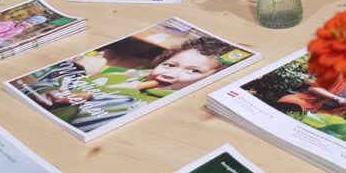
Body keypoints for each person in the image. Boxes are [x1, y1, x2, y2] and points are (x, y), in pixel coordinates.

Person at [27, 36, 236, 132]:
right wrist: (49, 91)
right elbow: (43, 84)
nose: (171, 73)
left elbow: (85, 125)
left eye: (193, 71)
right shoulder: (132, 75)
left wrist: (94, 95)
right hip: (31, 115)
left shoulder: (155, 105)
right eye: (170, 64)